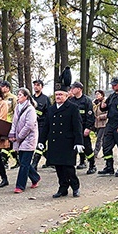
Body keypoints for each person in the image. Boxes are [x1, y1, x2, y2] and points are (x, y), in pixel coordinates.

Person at [39, 67, 84, 198]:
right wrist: (41, 141)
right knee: (58, 168)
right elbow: (46, 126)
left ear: (66, 95)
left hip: (68, 142)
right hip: (54, 142)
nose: (58, 97)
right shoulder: (51, 109)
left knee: (69, 168)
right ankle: (62, 188)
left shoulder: (73, 108)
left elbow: (77, 126)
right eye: (57, 95)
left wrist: (79, 142)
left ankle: (75, 187)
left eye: (61, 95)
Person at [8, 88, 41, 193]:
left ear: (26, 97)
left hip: (29, 138)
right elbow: (14, 122)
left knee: (24, 163)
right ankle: (35, 177)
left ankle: (20, 186)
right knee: (23, 161)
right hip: (19, 138)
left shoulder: (30, 109)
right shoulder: (17, 107)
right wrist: (12, 133)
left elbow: (29, 125)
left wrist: (19, 136)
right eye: (18, 95)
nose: (18, 97)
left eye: (20, 95)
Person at [97, 77, 118, 177]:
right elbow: (105, 107)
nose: (113, 86)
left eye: (115, 85)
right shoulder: (112, 96)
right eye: (112, 85)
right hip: (110, 124)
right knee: (106, 146)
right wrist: (102, 106)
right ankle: (109, 167)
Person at [69, 81, 96, 174]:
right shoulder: (71, 101)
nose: (71, 90)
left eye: (73, 88)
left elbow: (91, 116)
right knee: (72, 148)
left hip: (83, 128)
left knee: (87, 148)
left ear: (79, 89)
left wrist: (88, 128)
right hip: (74, 129)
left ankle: (92, 165)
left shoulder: (86, 101)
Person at [31, 79, 51, 170]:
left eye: (38, 85)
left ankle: (34, 164)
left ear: (42, 87)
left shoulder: (45, 99)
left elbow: (49, 112)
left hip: (42, 124)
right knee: (38, 145)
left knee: (40, 143)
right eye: (35, 85)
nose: (36, 86)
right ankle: (51, 160)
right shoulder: (31, 98)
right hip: (32, 125)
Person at [93, 90, 108, 160]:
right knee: (102, 139)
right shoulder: (94, 103)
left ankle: (95, 153)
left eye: (98, 94)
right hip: (96, 124)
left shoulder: (105, 102)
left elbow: (108, 113)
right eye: (96, 94)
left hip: (103, 124)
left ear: (102, 95)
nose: (97, 95)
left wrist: (101, 117)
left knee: (99, 138)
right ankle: (106, 152)